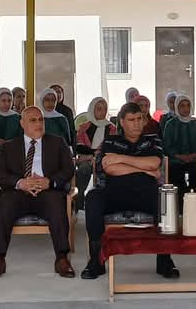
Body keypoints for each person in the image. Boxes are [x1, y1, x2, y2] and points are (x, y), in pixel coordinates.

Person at [82, 102, 179, 280]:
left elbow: (154, 163)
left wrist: (120, 159)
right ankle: (96, 260)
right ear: (122, 122)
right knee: (93, 198)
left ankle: (164, 260)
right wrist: (146, 170)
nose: (136, 123)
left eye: (139, 119)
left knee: (164, 199)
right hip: (115, 193)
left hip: (146, 194)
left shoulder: (153, 140)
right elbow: (110, 169)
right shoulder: (110, 141)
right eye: (131, 119)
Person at [0, 106, 76, 279]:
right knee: (4, 204)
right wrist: (20, 183)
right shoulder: (9, 146)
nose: (38, 124)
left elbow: (68, 169)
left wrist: (49, 181)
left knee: (57, 204)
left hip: (47, 191)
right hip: (18, 192)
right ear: (22, 123)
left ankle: (62, 258)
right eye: (33, 120)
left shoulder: (58, 142)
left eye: (41, 120)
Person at [162, 95, 196, 208]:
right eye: (182, 106)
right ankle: (178, 208)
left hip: (194, 161)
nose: (185, 108)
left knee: (195, 179)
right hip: (176, 161)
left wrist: (193, 156)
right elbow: (167, 146)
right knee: (177, 178)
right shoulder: (170, 124)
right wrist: (180, 157)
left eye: (188, 105)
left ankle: (194, 208)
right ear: (177, 107)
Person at [75, 97, 118, 210]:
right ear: (92, 109)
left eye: (104, 109)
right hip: (85, 160)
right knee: (84, 168)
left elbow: (110, 147)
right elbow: (80, 147)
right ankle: (79, 200)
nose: (102, 112)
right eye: (99, 109)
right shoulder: (83, 127)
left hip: (104, 160)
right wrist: (93, 155)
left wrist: (92, 156)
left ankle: (104, 203)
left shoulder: (112, 128)